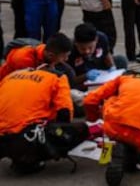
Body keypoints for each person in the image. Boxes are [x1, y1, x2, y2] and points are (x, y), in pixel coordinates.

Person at [0, 33, 88, 174]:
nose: (65, 60)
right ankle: (30, 157)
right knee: (80, 128)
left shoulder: (15, 75)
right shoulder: (58, 78)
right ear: (52, 58)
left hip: (3, 133)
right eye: (64, 57)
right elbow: (65, 114)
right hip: (24, 139)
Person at [66, 23, 128, 91]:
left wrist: (112, 68)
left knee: (121, 60)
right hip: (81, 75)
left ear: (96, 40)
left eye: (90, 47)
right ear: (76, 43)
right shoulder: (69, 50)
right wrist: (85, 76)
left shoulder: (102, 38)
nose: (87, 51)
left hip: (99, 68)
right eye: (82, 48)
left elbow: (106, 53)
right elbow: (69, 79)